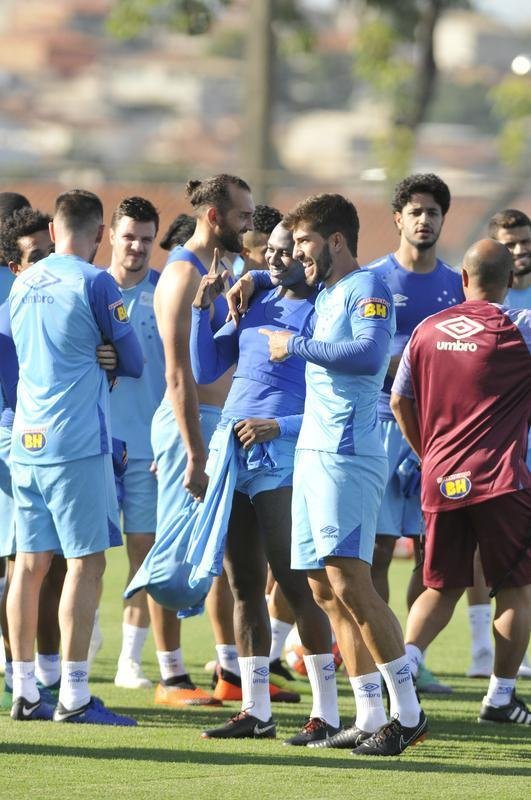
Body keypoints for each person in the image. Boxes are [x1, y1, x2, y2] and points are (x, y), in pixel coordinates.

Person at [259, 193, 427, 756]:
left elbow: (367, 354)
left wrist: (298, 346)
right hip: (312, 452)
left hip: (347, 454)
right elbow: (279, 281)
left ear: (335, 241)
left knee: (351, 579)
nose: (298, 253)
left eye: (304, 242)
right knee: (321, 587)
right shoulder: (328, 292)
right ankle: (368, 712)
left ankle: (409, 713)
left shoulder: (370, 287)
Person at [191, 222, 337, 744]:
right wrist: (202, 310)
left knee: (297, 586)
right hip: (234, 454)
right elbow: (207, 366)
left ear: (308, 252)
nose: (274, 260)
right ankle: (256, 710)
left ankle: (328, 713)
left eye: (285, 251)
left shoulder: (326, 308)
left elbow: (331, 401)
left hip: (282, 458)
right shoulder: (255, 298)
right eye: (269, 252)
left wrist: (280, 426)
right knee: (243, 586)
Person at [7, 189, 143, 724]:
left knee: (30, 566)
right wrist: (104, 350)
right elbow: (131, 359)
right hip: (76, 441)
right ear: (98, 232)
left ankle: (24, 691)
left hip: (26, 440)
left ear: (56, 228)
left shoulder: (22, 281)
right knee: (86, 563)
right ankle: (74, 696)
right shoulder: (94, 280)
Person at [391, 238, 531, 726]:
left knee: (439, 584)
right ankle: (500, 697)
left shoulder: (426, 330)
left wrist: (427, 453)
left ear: (463, 279)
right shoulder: (521, 327)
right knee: (514, 586)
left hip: (440, 477)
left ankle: (403, 671)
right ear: (510, 281)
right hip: (500, 481)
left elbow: (398, 400)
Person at [149, 174, 254, 708]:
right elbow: (176, 376)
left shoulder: (226, 269)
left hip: (222, 425)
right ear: (214, 217)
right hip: (189, 426)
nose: (249, 225)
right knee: (169, 550)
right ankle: (170, 678)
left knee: (221, 554)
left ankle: (231, 672)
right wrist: (192, 452)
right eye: (242, 216)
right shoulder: (180, 276)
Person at [366, 173, 463, 694]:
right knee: (379, 549)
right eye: (416, 211)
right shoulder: (373, 279)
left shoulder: (455, 285)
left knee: (430, 553)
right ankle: (382, 658)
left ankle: (410, 655)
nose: (425, 220)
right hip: (383, 425)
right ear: (398, 217)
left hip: (440, 434)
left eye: (434, 212)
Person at [106, 197, 167, 690]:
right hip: (94, 443)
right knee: (74, 557)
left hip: (149, 449)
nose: (138, 247)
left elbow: (181, 376)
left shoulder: (166, 290)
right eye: (129, 236)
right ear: (110, 234)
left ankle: (130, 661)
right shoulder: (88, 288)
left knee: (143, 554)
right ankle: (69, 650)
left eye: (147, 239)